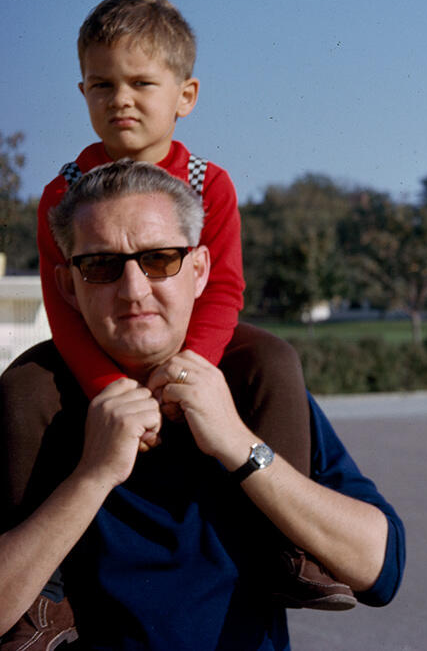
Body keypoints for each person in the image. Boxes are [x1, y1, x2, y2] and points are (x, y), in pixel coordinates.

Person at [21, 0, 337, 648]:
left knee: (274, 358)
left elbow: (222, 290)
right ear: (82, 91)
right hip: (96, 342)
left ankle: (290, 547)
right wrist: (111, 387)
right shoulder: (61, 191)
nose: (121, 99)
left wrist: (187, 370)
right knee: (25, 389)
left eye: (141, 82)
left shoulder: (208, 182)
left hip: (195, 341)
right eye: (102, 84)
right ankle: (40, 597)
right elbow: (64, 307)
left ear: (185, 94)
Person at [0, 161, 405, 649]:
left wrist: (240, 444)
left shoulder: (252, 383)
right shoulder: (32, 399)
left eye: (160, 260)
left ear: (199, 271)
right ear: (68, 285)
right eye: (101, 265)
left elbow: (378, 568)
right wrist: (92, 477)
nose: (133, 290)